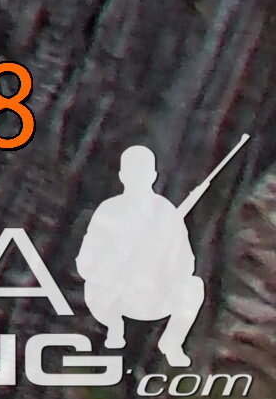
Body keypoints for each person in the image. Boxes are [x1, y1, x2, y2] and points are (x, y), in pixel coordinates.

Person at [78, 143, 210, 365]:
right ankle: (113, 330)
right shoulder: (109, 210)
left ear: (153, 176)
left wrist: (161, 260)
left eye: (143, 172)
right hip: (111, 295)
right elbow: (86, 262)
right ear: (122, 176)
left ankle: (171, 343)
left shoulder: (167, 213)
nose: (137, 178)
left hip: (151, 295)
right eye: (132, 172)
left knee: (193, 288)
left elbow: (186, 265)